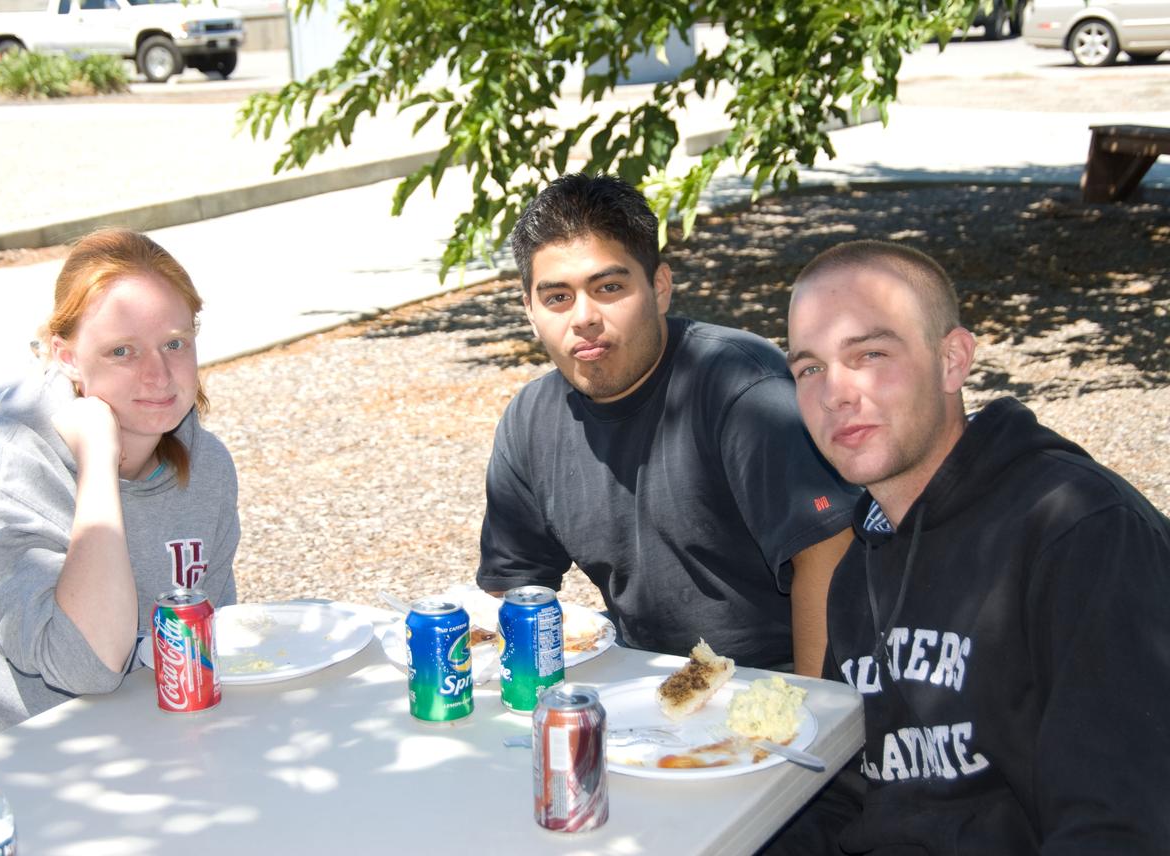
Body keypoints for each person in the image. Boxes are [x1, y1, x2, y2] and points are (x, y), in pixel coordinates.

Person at [776, 239, 1170, 851]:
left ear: (953, 361)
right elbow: (845, 793)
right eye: (809, 369)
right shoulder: (863, 562)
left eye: (871, 353)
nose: (835, 393)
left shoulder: (1081, 533)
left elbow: (1118, 824)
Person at [0, 228, 239, 775]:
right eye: (121, 351)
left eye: (174, 343)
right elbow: (88, 665)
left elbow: (211, 647)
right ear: (66, 357)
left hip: (134, 753)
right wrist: (98, 463)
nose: (158, 374)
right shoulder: (2, 474)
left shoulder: (206, 466)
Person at [475, 173, 857, 673]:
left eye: (608, 287)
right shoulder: (530, 420)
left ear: (659, 287)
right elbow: (516, 590)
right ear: (529, 310)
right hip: (638, 681)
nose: (584, 317)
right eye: (557, 298)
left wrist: (816, 714)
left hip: (772, 681)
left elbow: (829, 554)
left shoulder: (740, 386)